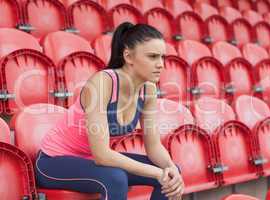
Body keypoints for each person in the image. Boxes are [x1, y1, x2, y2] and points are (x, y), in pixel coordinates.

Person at [35, 22, 184, 200]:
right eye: (152, 57)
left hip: (90, 161)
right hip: (53, 162)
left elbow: (153, 146)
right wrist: (156, 173)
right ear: (128, 56)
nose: (161, 64)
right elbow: (102, 155)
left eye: (162, 57)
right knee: (115, 178)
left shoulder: (148, 90)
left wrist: (171, 169)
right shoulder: (102, 84)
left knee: (170, 174)